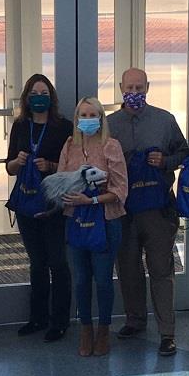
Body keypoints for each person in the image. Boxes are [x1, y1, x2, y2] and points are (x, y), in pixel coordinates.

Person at [107, 67, 189, 357]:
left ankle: (167, 332)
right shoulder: (109, 124)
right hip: (123, 210)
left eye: (139, 88)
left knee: (161, 270)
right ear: (121, 88)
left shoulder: (165, 120)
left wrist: (165, 161)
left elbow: (184, 152)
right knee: (128, 268)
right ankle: (135, 320)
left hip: (158, 210)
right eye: (130, 88)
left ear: (148, 88)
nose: (134, 93)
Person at [58, 97, 128, 357]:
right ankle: (85, 329)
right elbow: (61, 180)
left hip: (105, 220)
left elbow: (120, 189)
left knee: (103, 279)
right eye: (83, 115)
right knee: (81, 279)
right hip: (76, 219)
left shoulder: (111, 146)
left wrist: (92, 199)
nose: (87, 119)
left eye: (92, 115)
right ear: (77, 119)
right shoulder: (69, 145)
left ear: (101, 118)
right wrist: (71, 193)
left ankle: (103, 330)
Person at [6, 74, 74, 342]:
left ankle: (60, 321)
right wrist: (18, 162)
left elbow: (72, 167)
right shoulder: (20, 126)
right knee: (37, 263)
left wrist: (51, 166)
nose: (39, 98)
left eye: (44, 93)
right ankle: (38, 318)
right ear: (26, 98)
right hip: (27, 203)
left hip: (54, 204)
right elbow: (9, 167)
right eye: (34, 93)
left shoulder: (64, 127)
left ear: (51, 97)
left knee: (58, 262)